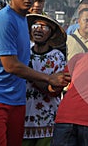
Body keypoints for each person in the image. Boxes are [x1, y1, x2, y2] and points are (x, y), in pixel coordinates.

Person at [0, 0, 70, 146]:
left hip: (18, 101)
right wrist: (49, 78)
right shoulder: (4, 20)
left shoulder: (24, 20)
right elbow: (11, 65)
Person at [23, 14, 67, 146]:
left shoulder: (57, 57)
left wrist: (29, 72)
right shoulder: (23, 53)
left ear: (52, 33)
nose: (38, 29)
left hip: (48, 121)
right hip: (23, 120)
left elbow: (55, 90)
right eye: (35, 26)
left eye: (44, 27)